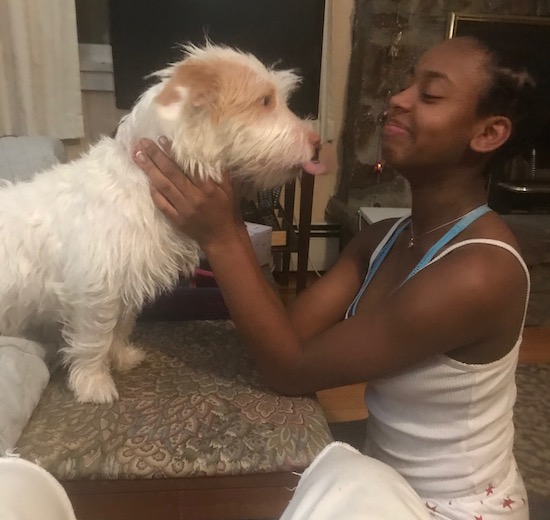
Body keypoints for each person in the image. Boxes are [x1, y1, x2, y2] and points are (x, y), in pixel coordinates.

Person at [133, 36, 537, 519]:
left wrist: (223, 234)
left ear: (489, 134)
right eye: (407, 83)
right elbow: (290, 335)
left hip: (454, 508)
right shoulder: (383, 239)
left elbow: (290, 370)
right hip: (385, 477)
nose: (398, 98)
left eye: (429, 95)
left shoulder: (480, 272)